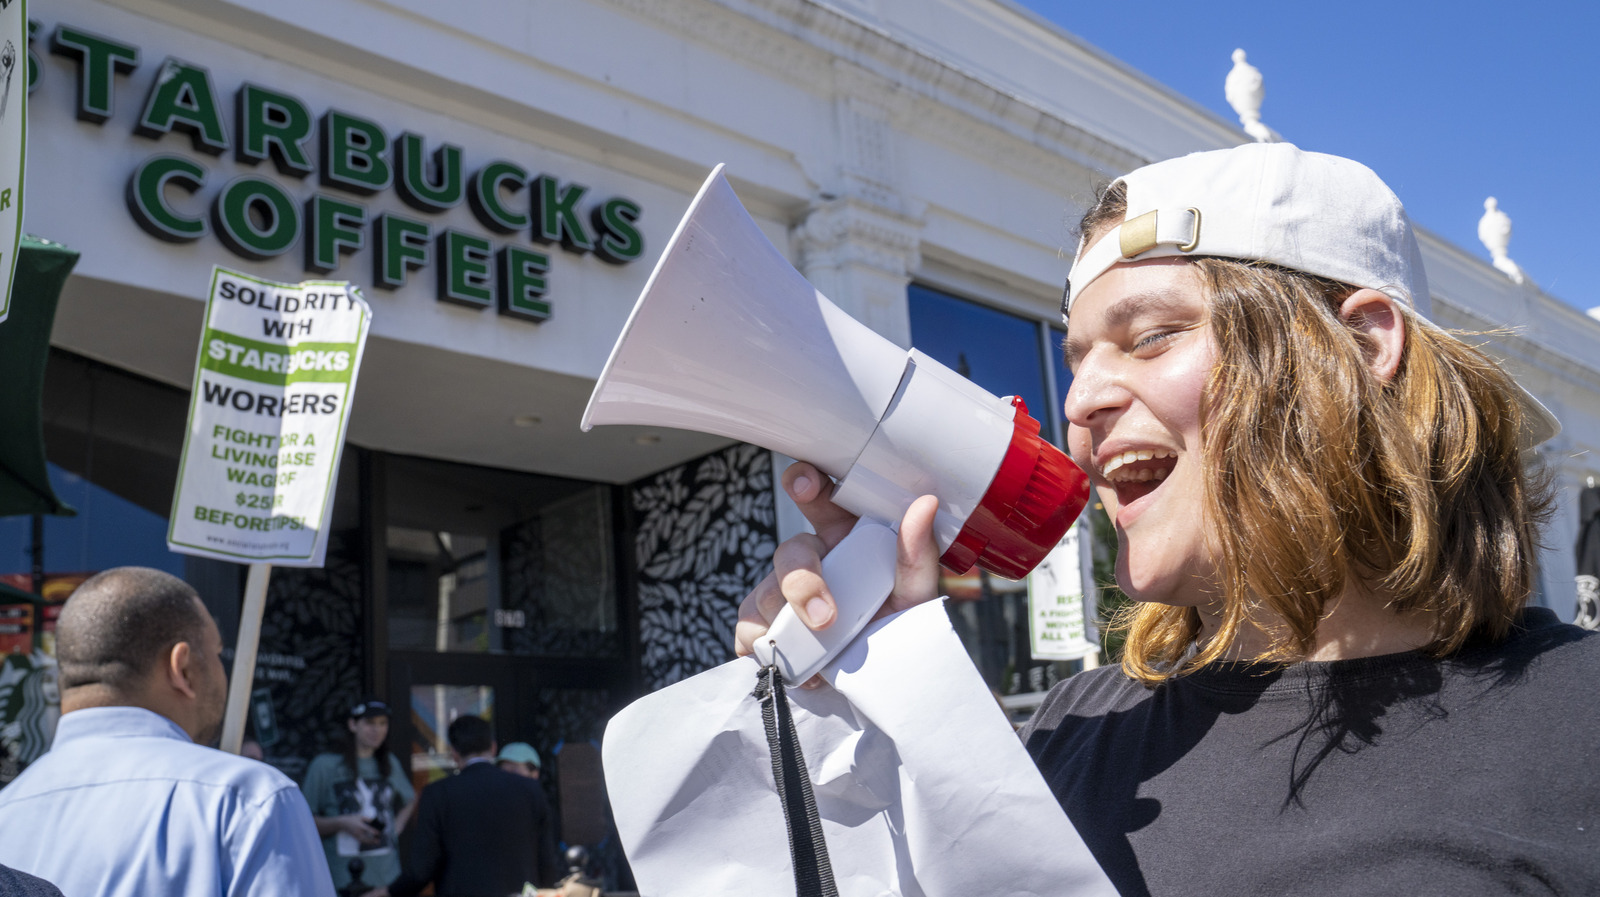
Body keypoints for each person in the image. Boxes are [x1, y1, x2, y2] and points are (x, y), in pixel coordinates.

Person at [737, 143, 1600, 895]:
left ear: (1365, 345)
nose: (1080, 402)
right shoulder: (1070, 728)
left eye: (1150, 336)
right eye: (1074, 360)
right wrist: (866, 697)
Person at [0, 567, 335, 896]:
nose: (224, 671)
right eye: (218, 654)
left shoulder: (7, 809)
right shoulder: (248, 799)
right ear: (182, 668)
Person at [376, 715, 561, 897]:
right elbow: (546, 861)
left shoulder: (438, 793)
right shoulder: (530, 789)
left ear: (454, 753)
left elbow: (421, 870)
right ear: (493, 748)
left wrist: (388, 892)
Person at [302, 697, 417, 894]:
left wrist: (395, 828)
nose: (377, 730)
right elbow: (304, 822)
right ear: (353, 724)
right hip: (341, 880)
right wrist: (343, 822)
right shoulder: (325, 765)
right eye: (370, 723)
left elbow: (410, 798)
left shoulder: (389, 762)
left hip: (386, 878)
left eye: (383, 723)